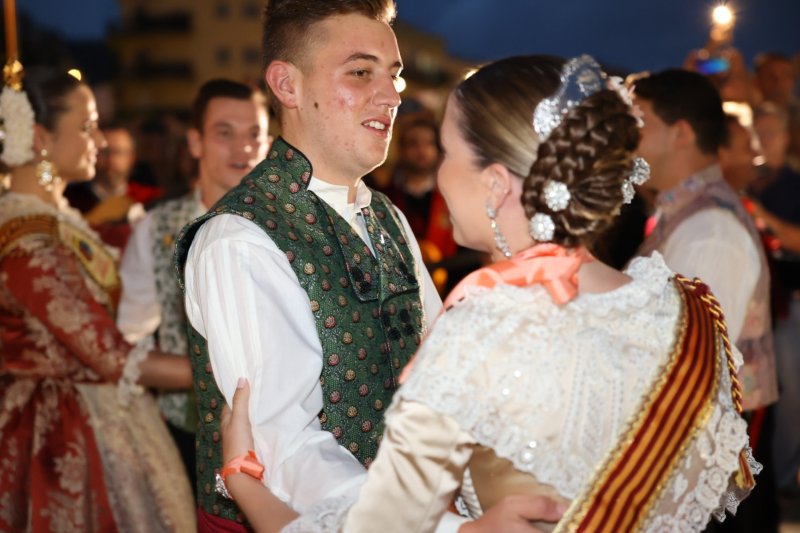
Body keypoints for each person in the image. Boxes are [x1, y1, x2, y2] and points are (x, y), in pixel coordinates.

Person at [219, 55, 758, 533]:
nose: (440, 171)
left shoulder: (484, 331)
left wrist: (244, 481)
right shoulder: (689, 307)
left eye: (450, 152)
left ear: (496, 183)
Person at [0, 66, 195, 531]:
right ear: (42, 138)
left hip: (91, 409)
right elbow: (107, 352)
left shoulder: (56, 221)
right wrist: (222, 368)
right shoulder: (27, 241)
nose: (102, 141)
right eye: (87, 128)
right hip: (53, 433)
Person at [633, 69, 779, 532]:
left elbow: (696, 368)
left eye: (641, 122)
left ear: (680, 133)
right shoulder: (684, 214)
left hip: (708, 478)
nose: (629, 136)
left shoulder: (709, 230)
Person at [117, 78, 270, 496]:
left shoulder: (290, 227)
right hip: (186, 436)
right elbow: (126, 344)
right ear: (196, 142)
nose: (242, 148)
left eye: (254, 134)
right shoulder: (156, 229)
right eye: (225, 133)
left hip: (282, 434)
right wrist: (204, 372)